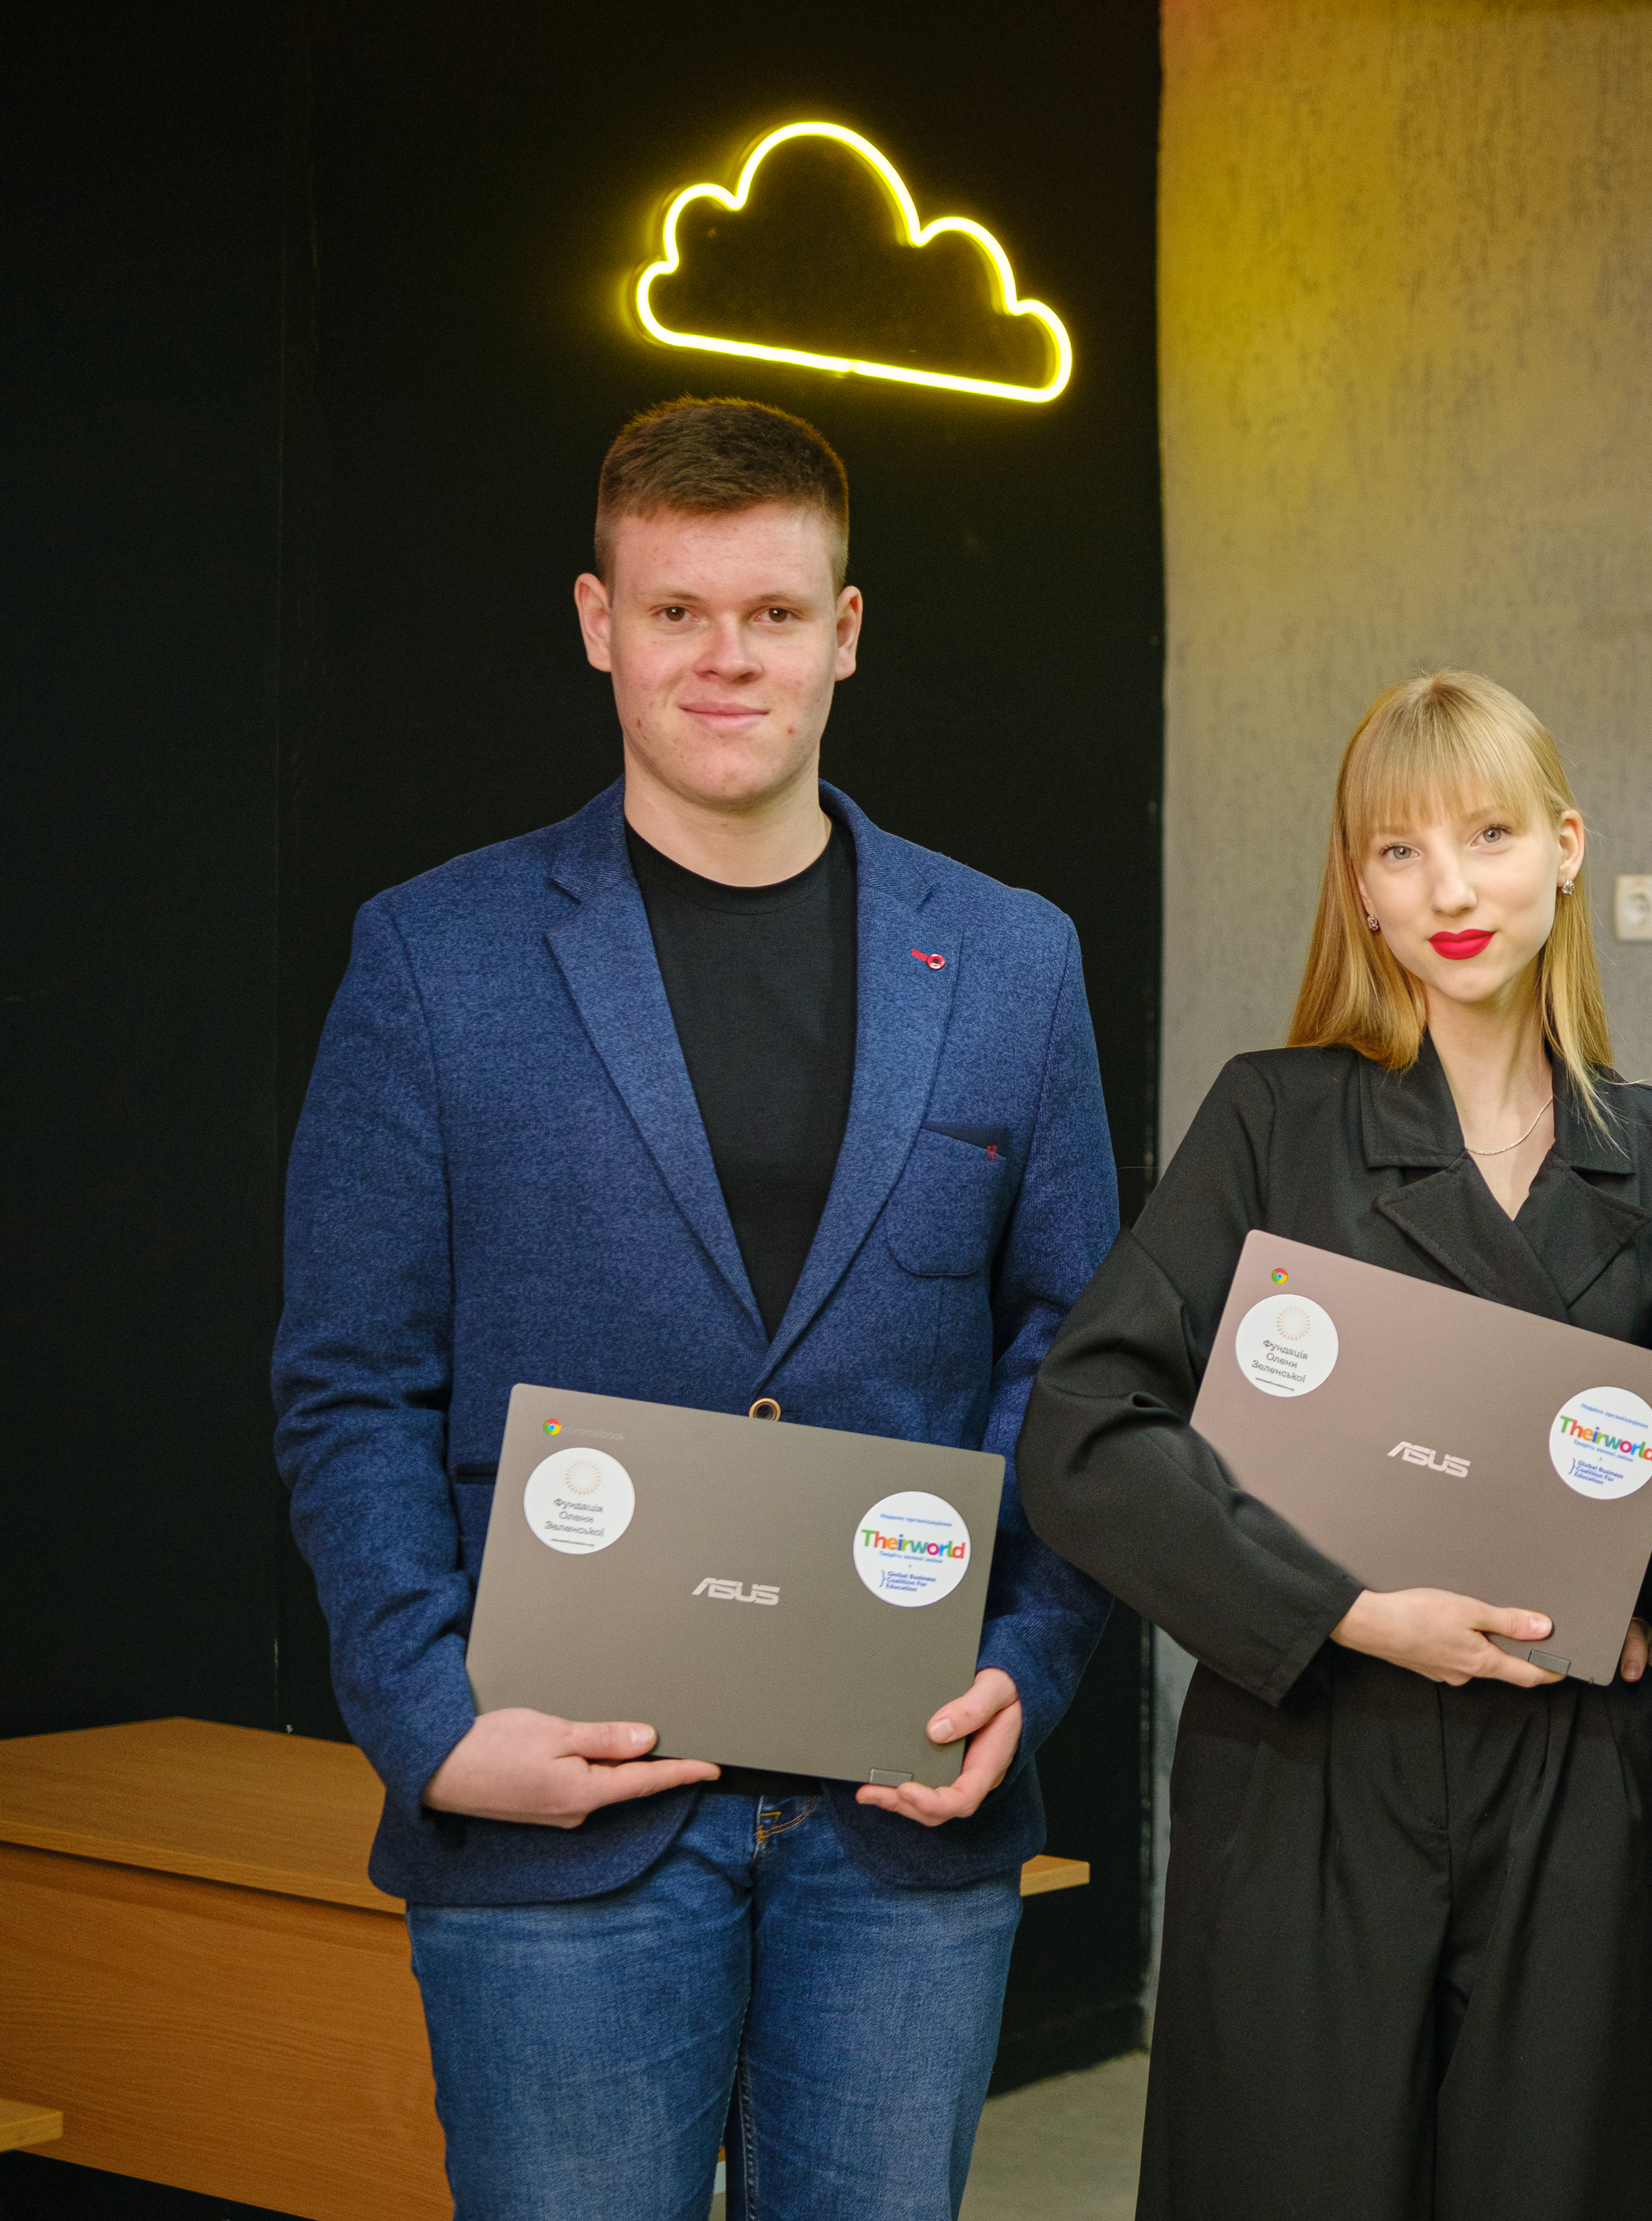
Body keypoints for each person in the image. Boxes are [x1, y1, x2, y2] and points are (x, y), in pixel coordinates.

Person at [272, 397, 1123, 2220]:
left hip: (895, 1829)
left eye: (773, 612)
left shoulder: (1010, 961)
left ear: (848, 629)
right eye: (677, 613)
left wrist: (1027, 1670)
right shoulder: (436, 956)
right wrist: (431, 1723)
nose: (726, 658)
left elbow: (1076, 1358)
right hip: (558, 1820)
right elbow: (348, 1385)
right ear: (599, 622)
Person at [1015, 672, 1652, 2221]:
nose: (1449, 888)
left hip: (1566, 1775)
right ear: (1357, 887)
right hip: (1308, 1756)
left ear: (1567, 845)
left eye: (1485, 834)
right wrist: (1335, 1607)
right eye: (1397, 852)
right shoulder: (1273, 1120)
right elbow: (1086, 1424)